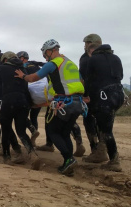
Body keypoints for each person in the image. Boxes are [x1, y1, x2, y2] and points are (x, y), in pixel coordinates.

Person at [15, 39, 85, 176]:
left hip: (63, 103)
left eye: (45, 55)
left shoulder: (53, 64)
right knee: (64, 133)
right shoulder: (70, 63)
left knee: (53, 132)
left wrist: (22, 76)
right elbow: (81, 81)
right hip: (77, 102)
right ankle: (68, 161)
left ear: (49, 51)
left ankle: (69, 159)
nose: (45, 57)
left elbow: (33, 78)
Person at [0, 52, 40, 169]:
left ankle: (6, 157)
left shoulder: (2, 68)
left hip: (8, 101)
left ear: (5, 60)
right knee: (21, 131)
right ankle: (33, 155)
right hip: (23, 102)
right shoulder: (23, 69)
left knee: (6, 129)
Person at [84, 42, 124, 171]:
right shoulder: (116, 58)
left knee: (106, 130)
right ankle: (104, 154)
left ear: (92, 50)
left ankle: (114, 160)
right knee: (107, 124)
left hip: (104, 96)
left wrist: (86, 95)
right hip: (118, 94)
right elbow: (121, 76)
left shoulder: (93, 59)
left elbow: (88, 79)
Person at [80, 34, 109, 163]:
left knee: (89, 121)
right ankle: (103, 150)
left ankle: (96, 151)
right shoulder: (108, 56)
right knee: (104, 123)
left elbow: (85, 78)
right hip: (108, 94)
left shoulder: (86, 58)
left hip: (92, 95)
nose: (85, 46)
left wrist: (83, 94)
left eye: (86, 43)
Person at [17, 51, 43, 146]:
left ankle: (31, 130)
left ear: (21, 58)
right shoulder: (36, 65)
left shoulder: (22, 67)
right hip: (40, 95)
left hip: (29, 94)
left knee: (22, 115)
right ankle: (33, 139)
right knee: (34, 116)